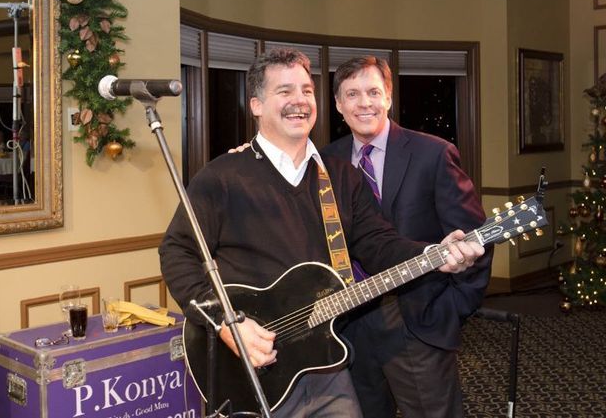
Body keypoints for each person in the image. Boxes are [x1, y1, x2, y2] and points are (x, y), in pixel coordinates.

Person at [159, 48, 484, 418]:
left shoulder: (342, 175)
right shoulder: (221, 177)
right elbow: (177, 252)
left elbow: (379, 244)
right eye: (284, 91)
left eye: (306, 91)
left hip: (328, 365)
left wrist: (434, 254)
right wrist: (226, 322)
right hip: (254, 371)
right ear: (256, 105)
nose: (299, 100)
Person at [321, 56, 493, 418]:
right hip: (350, 326)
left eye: (373, 92)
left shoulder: (433, 154)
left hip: (417, 320)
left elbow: (475, 239)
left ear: (389, 97)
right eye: (352, 94)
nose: (364, 103)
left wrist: (451, 311)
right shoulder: (325, 161)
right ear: (338, 104)